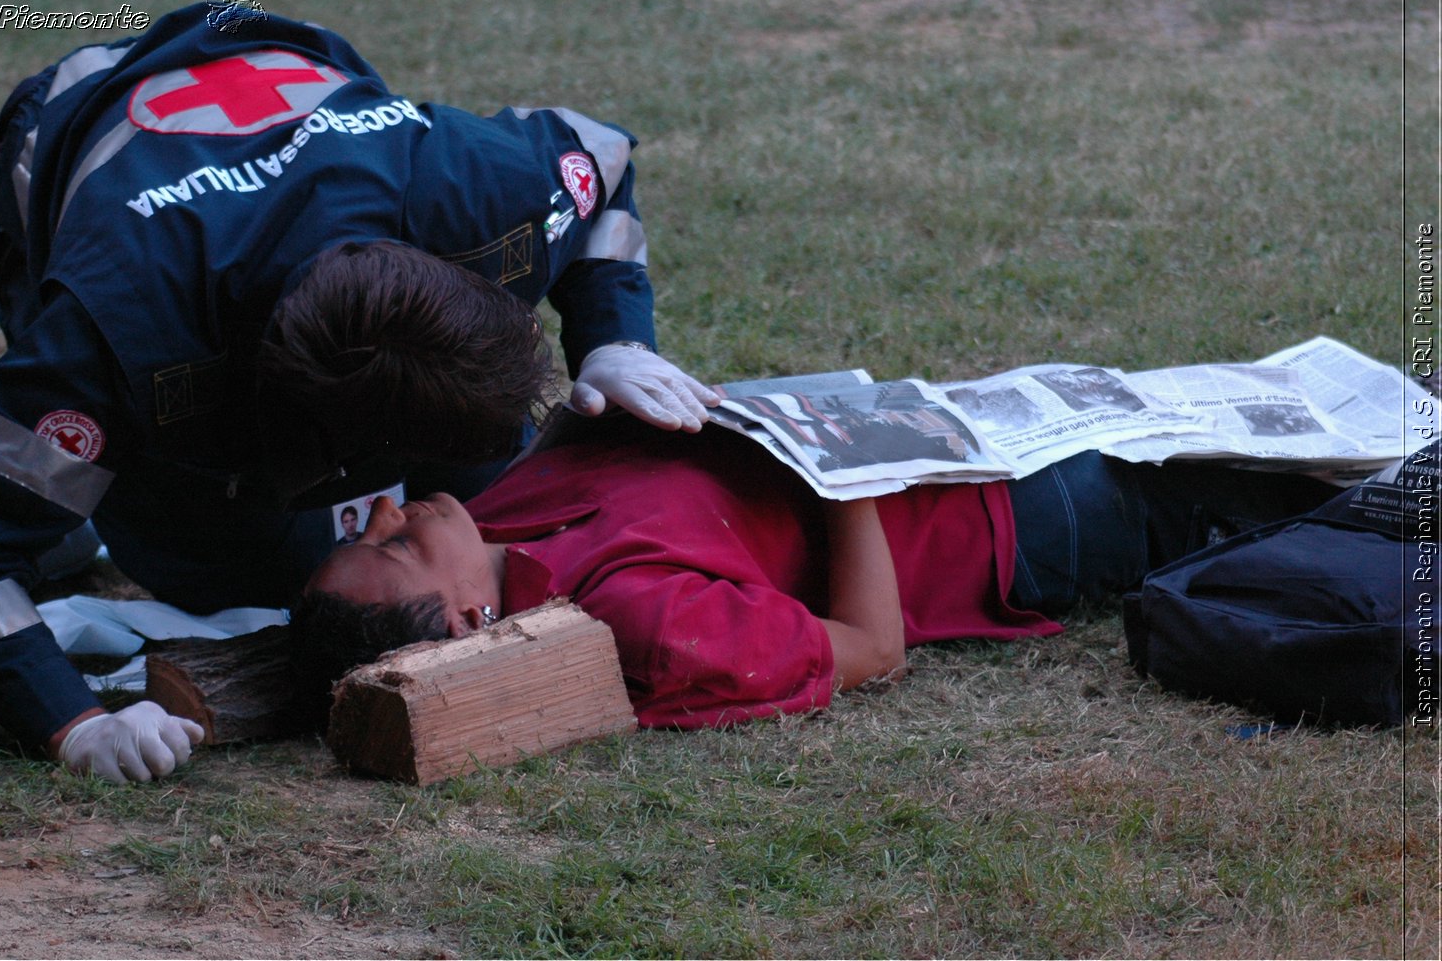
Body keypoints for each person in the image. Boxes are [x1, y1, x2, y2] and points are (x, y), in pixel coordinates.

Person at [0, 3, 715, 782]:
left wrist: (613, 337)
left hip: (287, 58)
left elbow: (602, 161)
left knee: (474, 498)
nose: (391, 508)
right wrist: (71, 722)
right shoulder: (118, 331)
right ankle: (63, 509)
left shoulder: (477, 189)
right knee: (225, 570)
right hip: (79, 121)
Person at [295, 418, 1340, 730]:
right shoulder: (632, 618)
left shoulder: (492, 517)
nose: (393, 509)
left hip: (963, 441)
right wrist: (845, 477)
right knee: (1275, 486)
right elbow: (871, 650)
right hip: (998, 528)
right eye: (392, 545)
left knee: (1231, 418)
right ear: (468, 619)